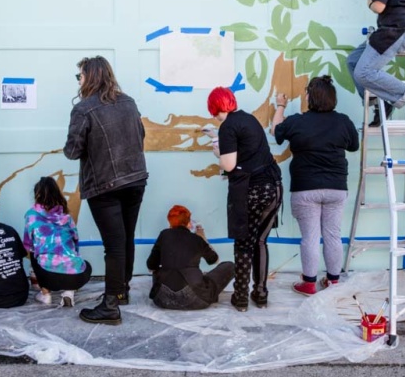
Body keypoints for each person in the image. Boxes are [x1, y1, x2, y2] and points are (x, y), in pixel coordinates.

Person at [64, 56, 148, 325]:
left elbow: (72, 151)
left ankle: (110, 305)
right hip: (135, 179)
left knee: (113, 245)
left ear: (90, 77)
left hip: (104, 185)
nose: (80, 81)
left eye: (81, 76)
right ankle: (121, 290)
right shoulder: (128, 102)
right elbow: (141, 135)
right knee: (126, 238)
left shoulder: (83, 110)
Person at [271, 76, 359, 296]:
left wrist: (280, 106)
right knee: (332, 235)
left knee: (310, 237)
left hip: (305, 188)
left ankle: (309, 283)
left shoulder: (297, 122)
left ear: (309, 97)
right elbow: (354, 146)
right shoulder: (343, 121)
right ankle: (333, 281)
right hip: (336, 188)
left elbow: (276, 131)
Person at [206, 87, 283, 311]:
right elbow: (246, 153)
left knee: (243, 241)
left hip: (251, 190)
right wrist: (217, 139)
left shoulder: (227, 126)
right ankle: (260, 294)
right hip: (273, 187)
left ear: (215, 108)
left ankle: (240, 297)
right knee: (260, 241)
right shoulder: (248, 119)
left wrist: (216, 143)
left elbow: (229, 165)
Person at [146, 205, 235, 310]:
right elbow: (214, 260)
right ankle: (211, 293)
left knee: (159, 270)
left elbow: (151, 265)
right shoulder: (196, 239)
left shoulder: (164, 235)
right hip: (196, 299)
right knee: (229, 266)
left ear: (170, 222)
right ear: (188, 222)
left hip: (162, 299)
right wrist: (203, 238)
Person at [23, 176, 93, 308]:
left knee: (34, 252)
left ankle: (45, 294)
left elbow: (27, 243)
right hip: (76, 277)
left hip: (47, 275)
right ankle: (69, 292)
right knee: (85, 265)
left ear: (37, 195)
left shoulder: (31, 215)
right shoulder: (66, 217)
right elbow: (75, 240)